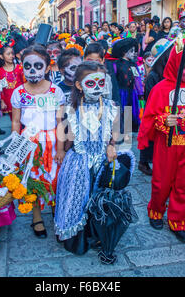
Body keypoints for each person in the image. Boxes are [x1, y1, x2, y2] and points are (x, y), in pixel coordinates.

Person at [137, 40, 185, 243]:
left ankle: (178, 219)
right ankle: (155, 210)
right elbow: (149, 117)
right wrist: (163, 120)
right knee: (161, 183)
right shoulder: (161, 89)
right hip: (166, 147)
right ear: (175, 64)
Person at [54, 61, 118, 254]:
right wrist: (61, 150)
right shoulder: (69, 106)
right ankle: (78, 237)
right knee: (77, 196)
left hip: (101, 159)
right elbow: (62, 131)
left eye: (101, 83)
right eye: (91, 84)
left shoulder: (110, 106)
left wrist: (112, 146)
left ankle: (98, 234)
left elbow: (116, 131)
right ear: (79, 85)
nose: (97, 88)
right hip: (78, 159)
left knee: (99, 196)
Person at [11, 44, 66, 238]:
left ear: (47, 67)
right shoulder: (18, 93)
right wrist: (15, 148)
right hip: (29, 143)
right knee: (33, 179)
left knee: (54, 178)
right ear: (22, 67)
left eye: (37, 66)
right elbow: (16, 122)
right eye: (27, 66)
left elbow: (60, 122)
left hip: (52, 141)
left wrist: (60, 149)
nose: (32, 71)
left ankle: (55, 210)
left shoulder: (55, 91)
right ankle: (36, 216)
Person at [138, 39, 173, 176]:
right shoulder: (154, 75)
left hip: (166, 110)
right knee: (150, 137)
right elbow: (151, 96)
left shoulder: (168, 72)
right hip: (155, 110)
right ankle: (144, 162)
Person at [111, 38, 142, 133]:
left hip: (131, 92)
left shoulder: (133, 64)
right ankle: (121, 129)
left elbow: (137, 78)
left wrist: (140, 91)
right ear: (124, 51)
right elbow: (113, 79)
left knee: (131, 109)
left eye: (134, 51)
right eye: (131, 51)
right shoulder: (116, 64)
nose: (133, 53)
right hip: (121, 92)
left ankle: (129, 129)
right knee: (122, 110)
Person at [0, 44, 24, 119]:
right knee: (14, 120)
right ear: (1, 57)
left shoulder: (19, 68)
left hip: (21, 99)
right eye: (8, 54)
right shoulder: (0, 71)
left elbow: (25, 83)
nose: (11, 56)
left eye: (12, 53)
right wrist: (2, 101)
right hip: (9, 101)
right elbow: (1, 89)